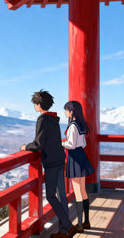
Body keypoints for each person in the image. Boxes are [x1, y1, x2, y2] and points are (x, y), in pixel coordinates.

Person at [21, 90, 77, 238]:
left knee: (51, 196)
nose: (34, 106)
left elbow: (39, 143)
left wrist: (26, 147)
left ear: (39, 104)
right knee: (62, 196)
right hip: (59, 159)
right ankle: (64, 231)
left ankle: (69, 227)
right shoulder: (54, 119)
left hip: (51, 162)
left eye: (35, 104)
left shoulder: (42, 120)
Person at [62, 101, 95, 233]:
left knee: (77, 192)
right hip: (81, 155)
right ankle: (86, 221)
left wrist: (62, 144)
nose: (65, 112)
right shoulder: (80, 125)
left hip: (74, 157)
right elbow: (84, 143)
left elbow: (70, 144)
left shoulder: (72, 127)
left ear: (71, 112)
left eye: (66, 110)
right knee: (83, 191)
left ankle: (80, 225)